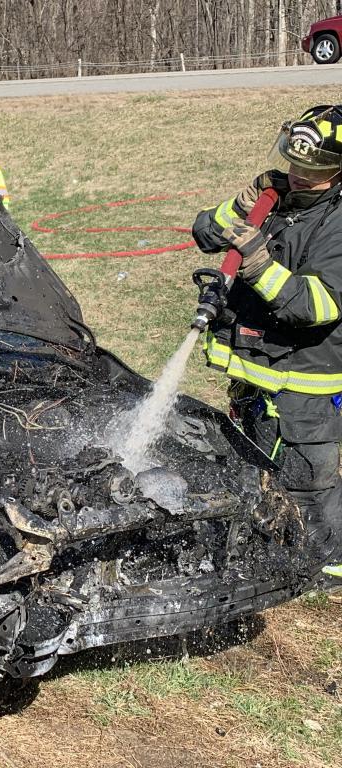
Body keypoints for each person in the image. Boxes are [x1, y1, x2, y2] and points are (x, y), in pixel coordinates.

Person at [191, 104, 342, 580]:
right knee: (253, 462)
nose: (297, 176)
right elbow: (205, 231)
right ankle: (270, 545)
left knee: (307, 481)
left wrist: (259, 265)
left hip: (306, 379)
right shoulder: (277, 200)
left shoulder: (336, 223)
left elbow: (316, 306)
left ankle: (322, 571)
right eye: (294, 164)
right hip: (258, 368)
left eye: (312, 171)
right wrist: (239, 207)